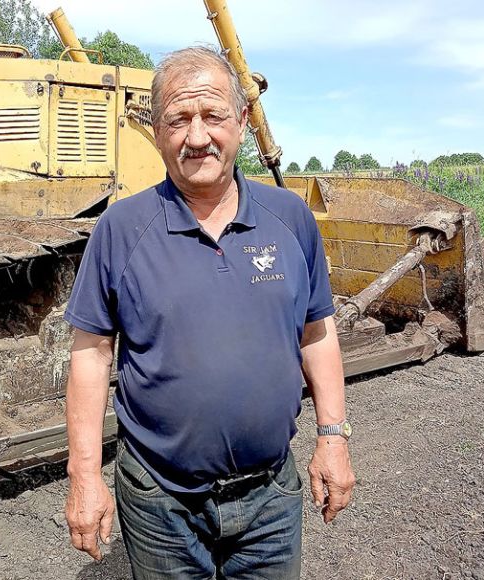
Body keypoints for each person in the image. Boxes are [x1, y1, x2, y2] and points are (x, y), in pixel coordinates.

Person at [63, 46, 355, 579]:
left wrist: (332, 438)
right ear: (157, 132)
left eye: (213, 115)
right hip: (160, 501)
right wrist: (84, 474)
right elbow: (91, 354)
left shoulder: (290, 218)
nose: (197, 137)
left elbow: (317, 333)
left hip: (271, 497)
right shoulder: (120, 229)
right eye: (178, 120)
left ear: (241, 122)